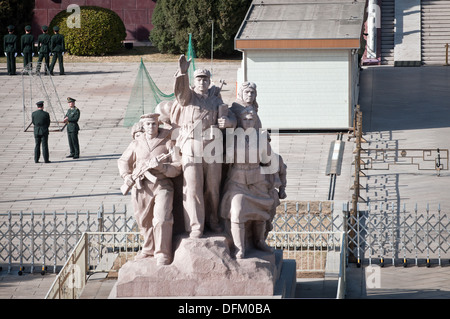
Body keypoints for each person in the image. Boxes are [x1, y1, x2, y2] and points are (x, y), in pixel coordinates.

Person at [170, 54, 235, 238]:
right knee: (192, 186)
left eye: (205, 79)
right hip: (192, 144)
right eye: (199, 79)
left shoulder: (215, 99)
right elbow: (180, 93)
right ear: (194, 82)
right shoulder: (188, 97)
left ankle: (213, 220)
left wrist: (228, 122)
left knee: (213, 187)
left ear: (209, 82)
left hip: (213, 145)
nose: (202, 82)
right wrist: (183, 73)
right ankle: (195, 225)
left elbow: (230, 117)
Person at [118, 113, 182, 265]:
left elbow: (178, 166)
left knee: (161, 219)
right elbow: (123, 160)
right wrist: (127, 176)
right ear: (143, 126)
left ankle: (162, 252)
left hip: (162, 185)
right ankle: (148, 249)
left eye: (154, 124)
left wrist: (162, 167)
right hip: (141, 186)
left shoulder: (168, 142)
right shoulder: (137, 143)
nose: (151, 127)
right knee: (144, 220)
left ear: (158, 124)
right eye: (148, 124)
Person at [220, 110, 275, 258]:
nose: (248, 122)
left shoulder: (261, 138)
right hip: (237, 182)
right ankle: (239, 248)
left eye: (251, 119)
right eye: (244, 119)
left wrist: (275, 182)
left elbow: (270, 161)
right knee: (237, 211)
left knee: (262, 212)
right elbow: (224, 159)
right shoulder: (233, 137)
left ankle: (259, 241)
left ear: (255, 121)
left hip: (257, 181)